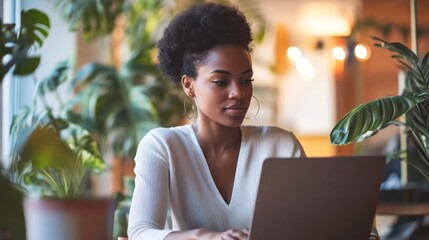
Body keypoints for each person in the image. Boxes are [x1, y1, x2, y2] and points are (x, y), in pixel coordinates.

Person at [127, 3, 307, 240]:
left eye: (245, 80)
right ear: (188, 85)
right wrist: (205, 237)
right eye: (221, 82)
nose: (238, 93)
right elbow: (140, 233)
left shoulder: (280, 145)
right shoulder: (163, 146)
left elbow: (313, 222)